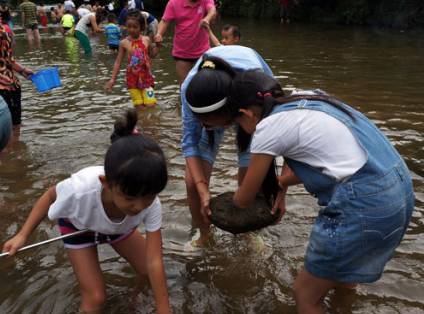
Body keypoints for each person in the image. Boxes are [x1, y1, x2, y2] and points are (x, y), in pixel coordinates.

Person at [185, 65, 415, 313]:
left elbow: (242, 200)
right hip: (398, 190)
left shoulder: (266, 127)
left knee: (305, 295)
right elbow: (332, 161)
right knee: (344, 277)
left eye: (238, 122)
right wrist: (281, 186)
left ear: (246, 113)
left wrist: (212, 208)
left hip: (364, 204)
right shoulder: (305, 96)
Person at [2, 109, 172, 314]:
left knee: (147, 272)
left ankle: (132, 304)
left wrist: (164, 308)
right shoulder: (81, 189)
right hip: (78, 224)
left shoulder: (150, 204)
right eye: (129, 197)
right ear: (106, 183)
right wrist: (22, 235)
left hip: (117, 227)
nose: (139, 206)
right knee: (96, 298)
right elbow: (49, 196)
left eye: (149, 196)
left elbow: (154, 260)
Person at [179, 45, 273, 247]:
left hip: (249, 105)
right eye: (202, 123)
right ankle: (203, 234)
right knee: (191, 182)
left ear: (233, 114)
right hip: (217, 105)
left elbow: (273, 135)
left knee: (250, 178)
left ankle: (249, 231)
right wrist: (203, 189)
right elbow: (189, 143)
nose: (205, 128)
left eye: (211, 123)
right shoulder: (190, 91)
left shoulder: (254, 89)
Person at [154, 0, 216, 85]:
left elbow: (212, 10)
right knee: (184, 86)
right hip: (182, 53)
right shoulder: (173, 3)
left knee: (205, 84)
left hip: (203, 52)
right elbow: (165, 21)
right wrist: (159, 34)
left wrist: (207, 18)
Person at [105, 9, 159, 108]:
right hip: (132, 79)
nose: (131, 29)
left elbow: (153, 55)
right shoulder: (124, 43)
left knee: (151, 105)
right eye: (129, 26)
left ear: (141, 27)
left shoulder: (146, 39)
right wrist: (112, 79)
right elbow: (118, 62)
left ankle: (151, 123)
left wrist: (158, 45)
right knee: (139, 107)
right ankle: (141, 122)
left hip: (146, 78)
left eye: (135, 27)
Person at [0, 24, 34, 143]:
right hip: (8, 86)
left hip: (8, 87)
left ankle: (11, 158)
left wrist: (22, 70)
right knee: (12, 128)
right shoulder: (4, 30)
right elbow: (8, 59)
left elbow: (7, 59)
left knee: (12, 128)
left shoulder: (4, 30)